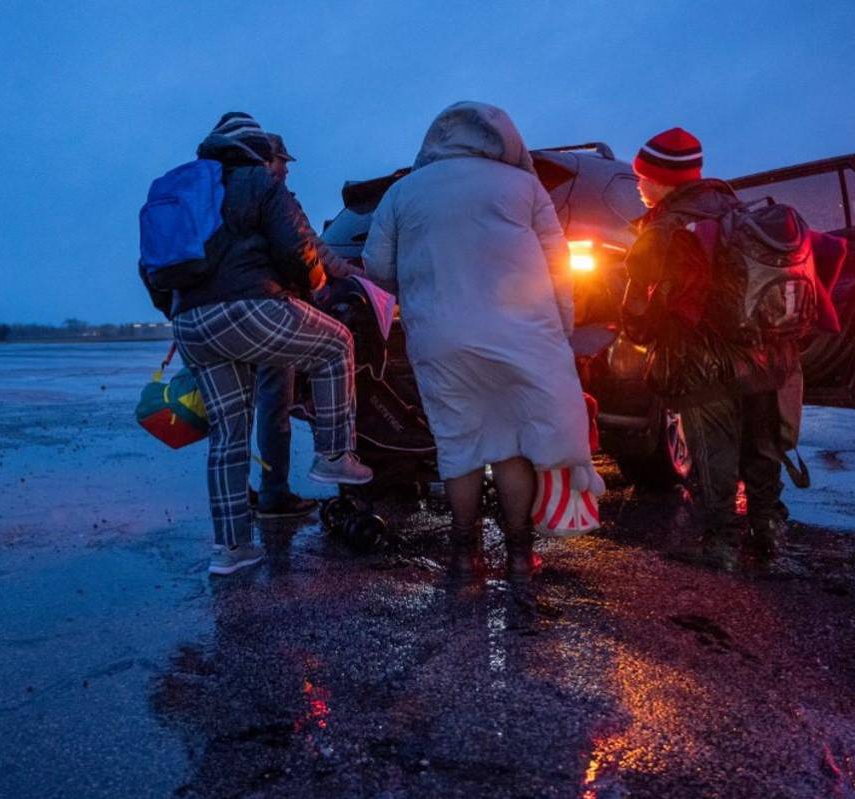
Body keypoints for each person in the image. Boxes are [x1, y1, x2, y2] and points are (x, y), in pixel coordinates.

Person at [362, 101, 600, 580]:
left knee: (458, 443)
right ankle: (517, 554)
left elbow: (377, 268)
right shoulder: (524, 186)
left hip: (440, 337)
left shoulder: (402, 192)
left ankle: (463, 554)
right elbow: (558, 268)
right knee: (512, 444)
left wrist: (417, 285)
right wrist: (564, 328)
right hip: (519, 334)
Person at [149, 112, 373, 576]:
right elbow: (298, 247)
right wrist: (312, 287)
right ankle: (334, 456)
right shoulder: (259, 181)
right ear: (256, 149)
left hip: (191, 323)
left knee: (228, 439)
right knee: (337, 345)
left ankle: (231, 550)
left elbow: (149, 265)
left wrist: (181, 311)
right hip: (250, 306)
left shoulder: (181, 187)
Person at [621, 127, 800, 570]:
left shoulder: (666, 226)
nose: (639, 186)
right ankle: (767, 534)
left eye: (642, 177)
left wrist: (636, 332)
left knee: (711, 451)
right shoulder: (741, 212)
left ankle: (719, 544)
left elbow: (640, 309)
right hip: (766, 353)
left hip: (704, 362)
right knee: (763, 445)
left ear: (662, 179)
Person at [252, 133, 364, 519]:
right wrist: (351, 277)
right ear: (267, 160)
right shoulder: (273, 197)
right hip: (274, 310)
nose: (285, 168)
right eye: (282, 160)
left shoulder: (224, 197)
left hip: (228, 314)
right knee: (275, 403)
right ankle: (279, 491)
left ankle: (243, 508)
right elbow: (309, 247)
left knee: (241, 413)